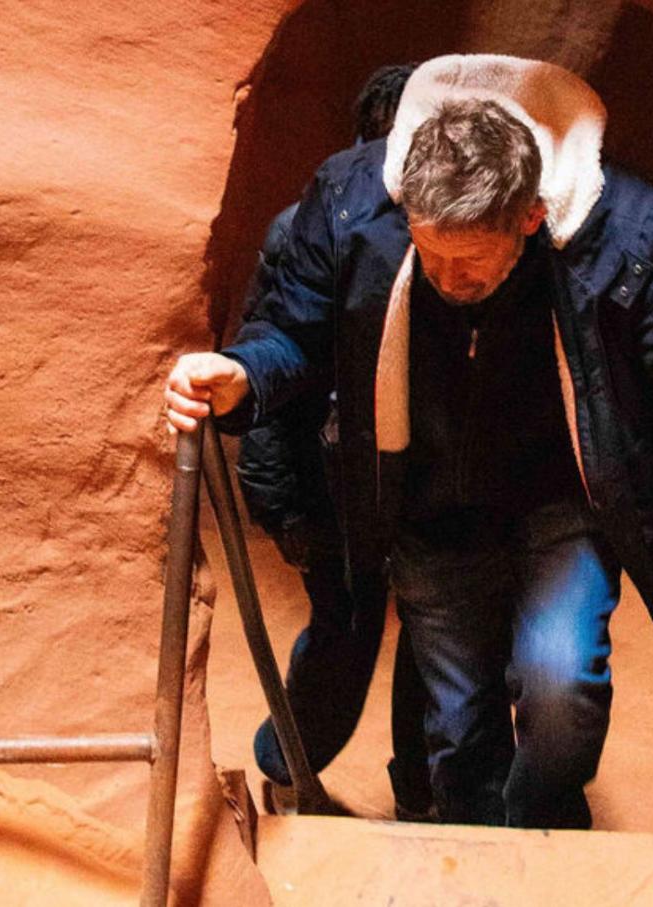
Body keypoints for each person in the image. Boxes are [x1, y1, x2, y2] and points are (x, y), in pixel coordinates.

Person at [165, 55, 653, 829]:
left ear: (530, 216)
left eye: (473, 261)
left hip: (564, 504)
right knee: (456, 725)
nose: (450, 278)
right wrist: (243, 375)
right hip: (425, 505)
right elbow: (294, 326)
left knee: (564, 693)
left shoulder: (622, 220)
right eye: (431, 253)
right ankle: (474, 852)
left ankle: (540, 824)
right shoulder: (354, 205)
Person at [234, 63, 434, 819]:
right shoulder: (308, 229)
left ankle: (423, 791)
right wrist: (284, 505)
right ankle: (286, 767)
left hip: (414, 474)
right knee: (345, 633)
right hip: (332, 479)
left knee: (432, 636)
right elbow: (270, 363)